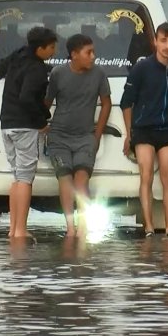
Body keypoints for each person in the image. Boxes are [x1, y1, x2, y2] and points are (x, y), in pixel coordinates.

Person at [120, 22, 168, 237]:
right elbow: (126, 102)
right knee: (146, 176)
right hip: (144, 130)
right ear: (155, 41)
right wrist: (129, 133)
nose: (167, 46)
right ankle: (148, 225)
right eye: (163, 41)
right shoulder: (142, 68)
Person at [45, 34, 112, 237]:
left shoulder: (99, 74)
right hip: (59, 136)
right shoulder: (58, 74)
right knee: (64, 177)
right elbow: (47, 103)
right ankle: (70, 228)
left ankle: (83, 226)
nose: (93, 56)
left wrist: (97, 135)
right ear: (74, 55)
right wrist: (39, 124)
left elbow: (106, 103)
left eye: (93, 52)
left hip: (85, 137)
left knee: (82, 179)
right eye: (88, 52)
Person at [0, 26, 57, 240]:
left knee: (17, 176)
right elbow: (27, 98)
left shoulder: (18, 57)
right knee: (25, 178)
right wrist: (41, 122)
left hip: (7, 124)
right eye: (51, 47)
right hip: (24, 126)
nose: (54, 51)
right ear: (40, 48)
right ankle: (20, 230)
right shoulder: (36, 69)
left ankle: (13, 228)